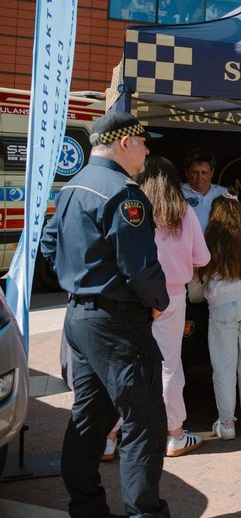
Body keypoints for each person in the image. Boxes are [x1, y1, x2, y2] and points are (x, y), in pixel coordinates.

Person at [40, 111, 171, 517]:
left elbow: (47, 247)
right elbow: (139, 266)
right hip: (117, 325)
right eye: (144, 142)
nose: (148, 149)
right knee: (144, 423)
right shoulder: (123, 193)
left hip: (80, 319)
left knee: (91, 417)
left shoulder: (71, 187)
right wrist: (159, 301)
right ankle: (143, 512)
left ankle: (86, 506)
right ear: (125, 143)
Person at [135, 155, 211, 457]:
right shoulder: (183, 211)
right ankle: (174, 434)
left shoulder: (135, 210)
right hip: (172, 296)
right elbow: (202, 258)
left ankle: (111, 435)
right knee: (168, 364)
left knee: (127, 364)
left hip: (137, 295)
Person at [190, 194, 241, 440]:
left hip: (223, 306)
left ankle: (226, 424)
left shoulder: (214, 237)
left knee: (224, 368)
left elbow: (196, 284)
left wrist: (198, 296)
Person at [181, 147, 228, 230]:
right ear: (186, 172)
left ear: (212, 172)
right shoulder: (177, 193)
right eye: (195, 172)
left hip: (218, 242)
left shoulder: (224, 193)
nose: (200, 177)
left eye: (204, 173)